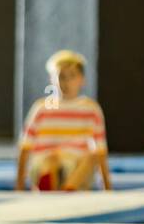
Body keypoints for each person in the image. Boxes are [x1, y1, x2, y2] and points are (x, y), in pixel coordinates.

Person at [15, 50, 113, 191]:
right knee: (51, 161)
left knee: (92, 156)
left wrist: (107, 187)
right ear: (52, 79)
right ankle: (56, 186)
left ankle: (67, 187)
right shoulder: (42, 108)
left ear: (82, 79)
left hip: (77, 167)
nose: (66, 82)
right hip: (46, 165)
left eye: (72, 76)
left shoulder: (91, 110)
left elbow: (101, 152)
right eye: (61, 77)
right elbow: (24, 148)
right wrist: (19, 187)